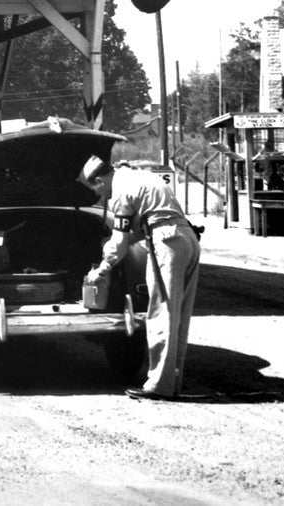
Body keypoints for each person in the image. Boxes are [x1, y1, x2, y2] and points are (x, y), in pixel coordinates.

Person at [81, 156, 201, 400]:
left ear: (99, 179)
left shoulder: (121, 194)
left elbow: (120, 243)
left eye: (95, 188)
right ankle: (172, 381)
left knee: (161, 314)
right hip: (188, 238)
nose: (100, 195)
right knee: (179, 315)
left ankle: (159, 385)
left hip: (165, 240)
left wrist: (101, 270)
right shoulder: (142, 176)